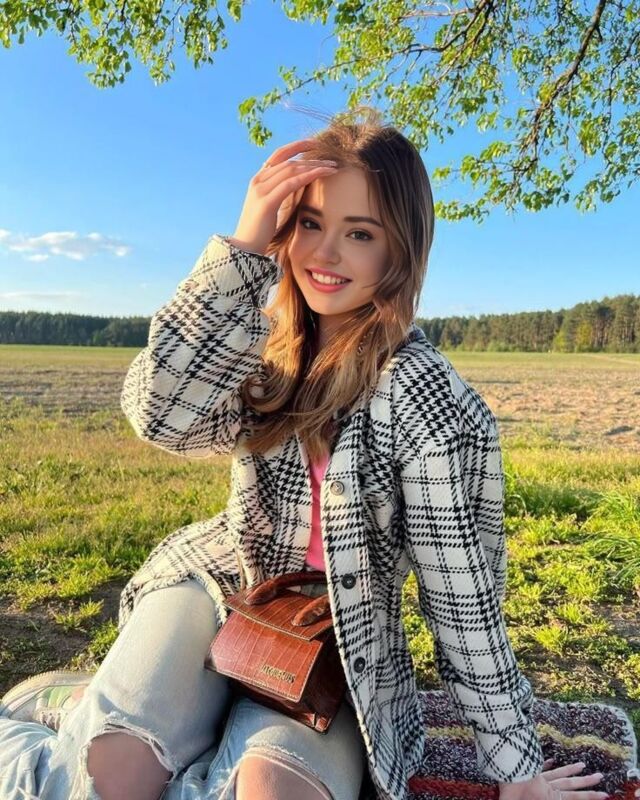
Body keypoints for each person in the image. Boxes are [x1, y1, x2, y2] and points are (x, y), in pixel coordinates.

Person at [0, 107, 612, 800]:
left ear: (400, 251)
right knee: (112, 772)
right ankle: (78, 721)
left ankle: (112, 714)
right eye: (310, 224)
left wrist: (515, 771)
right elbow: (162, 418)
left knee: (274, 790)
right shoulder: (260, 347)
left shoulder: (425, 397)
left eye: (360, 233)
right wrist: (242, 250)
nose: (325, 254)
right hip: (216, 584)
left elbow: (462, 599)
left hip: (336, 629)